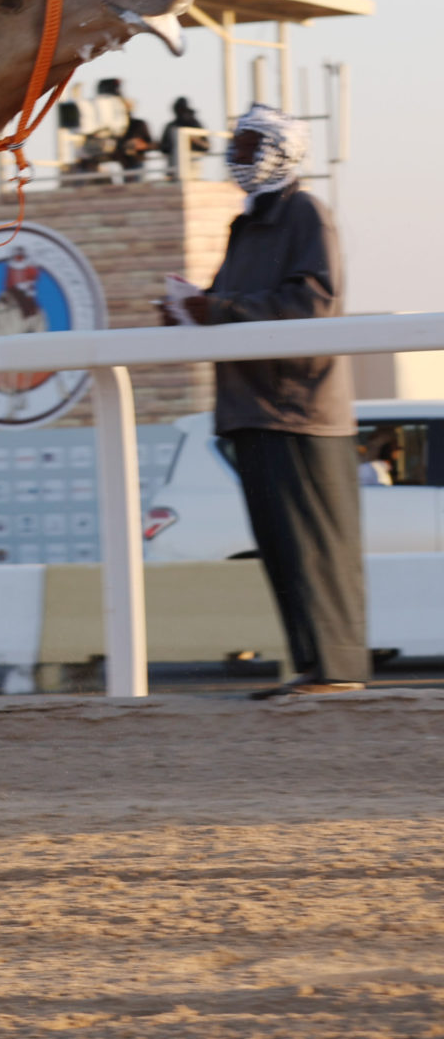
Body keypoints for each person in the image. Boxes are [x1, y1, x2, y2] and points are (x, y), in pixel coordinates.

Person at [165, 105, 368, 697]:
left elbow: (313, 305)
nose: (235, 154)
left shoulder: (305, 214)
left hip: (299, 412)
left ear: (282, 150)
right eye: (235, 143)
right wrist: (193, 307)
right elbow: (238, 302)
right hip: (251, 409)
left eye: (249, 144)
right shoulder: (245, 223)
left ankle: (336, 671)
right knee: (282, 551)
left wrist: (217, 310)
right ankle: (314, 669)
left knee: (312, 550)